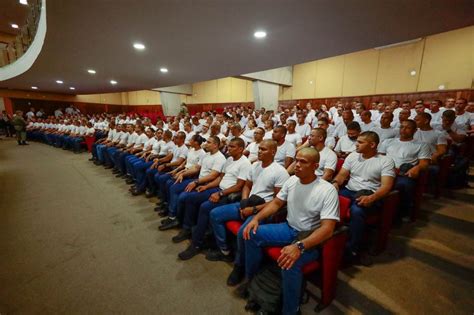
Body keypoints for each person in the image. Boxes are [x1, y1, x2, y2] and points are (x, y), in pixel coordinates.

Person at [241, 148, 339, 315]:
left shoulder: (327, 190)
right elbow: (276, 204)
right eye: (296, 160)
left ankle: (290, 310)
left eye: (303, 162)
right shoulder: (292, 180)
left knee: (288, 261)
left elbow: (328, 229)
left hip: (308, 238)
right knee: (250, 234)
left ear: (315, 166)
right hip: (288, 228)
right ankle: (253, 283)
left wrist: (299, 246)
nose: (297, 165)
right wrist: (256, 219)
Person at [208, 139, 290, 280]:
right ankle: (225, 251)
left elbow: (277, 202)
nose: (259, 151)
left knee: (242, 233)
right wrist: (245, 201)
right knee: (215, 214)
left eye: (263, 149)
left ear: (273, 152)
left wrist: (253, 209)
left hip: (262, 209)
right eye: (259, 148)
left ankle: (239, 265)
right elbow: (247, 186)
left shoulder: (280, 172)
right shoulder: (255, 166)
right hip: (249, 203)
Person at [176, 138, 251, 260]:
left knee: (205, 207)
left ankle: (196, 244)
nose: (229, 149)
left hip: (228, 194)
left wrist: (220, 194)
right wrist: (206, 186)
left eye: (232, 147)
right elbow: (220, 179)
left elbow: (239, 186)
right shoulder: (229, 159)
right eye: (229, 146)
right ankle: (187, 228)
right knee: (191, 198)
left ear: (241, 149)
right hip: (218, 189)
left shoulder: (245, 163)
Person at [331, 131, 395, 264]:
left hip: (369, 194)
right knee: (327, 200)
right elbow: (342, 175)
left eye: (360, 142)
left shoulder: (385, 161)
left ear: (372, 144)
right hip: (349, 190)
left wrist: (372, 197)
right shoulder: (353, 156)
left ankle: (353, 250)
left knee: (357, 211)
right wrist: (336, 183)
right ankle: (327, 239)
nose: (356, 144)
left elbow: (386, 186)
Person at [159, 136, 226, 231]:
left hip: (206, 184)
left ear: (215, 145)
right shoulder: (206, 155)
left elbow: (213, 176)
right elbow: (197, 168)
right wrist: (183, 173)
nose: (206, 143)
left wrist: (196, 182)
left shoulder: (220, 158)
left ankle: (178, 220)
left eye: (209, 142)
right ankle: (173, 216)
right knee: (174, 187)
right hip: (198, 180)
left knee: (184, 196)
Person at [378, 120, 430, 220]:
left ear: (415, 130)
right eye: (401, 127)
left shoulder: (422, 145)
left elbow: (424, 163)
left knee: (403, 185)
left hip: (403, 173)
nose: (403, 130)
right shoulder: (388, 141)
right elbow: (380, 157)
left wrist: (417, 167)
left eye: (408, 128)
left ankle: (400, 213)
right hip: (386, 170)